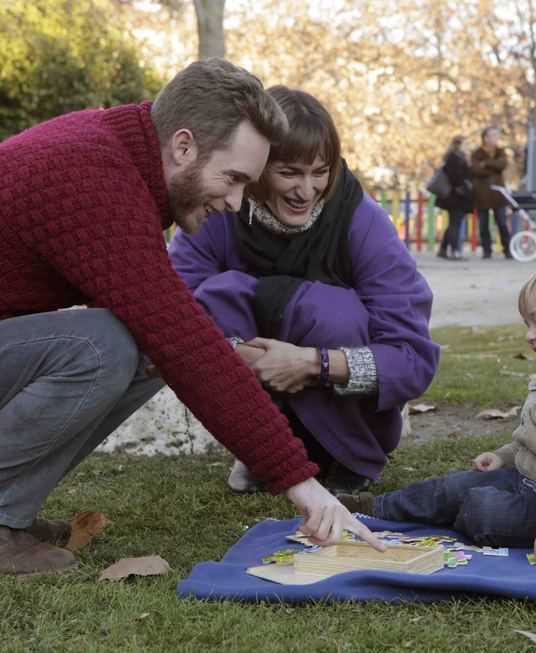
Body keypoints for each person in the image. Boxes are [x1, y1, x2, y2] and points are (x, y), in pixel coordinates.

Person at [0, 59, 383, 576]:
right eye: (234, 178)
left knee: (143, 347)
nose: (238, 203)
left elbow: (174, 332)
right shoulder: (95, 178)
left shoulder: (118, 157)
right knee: (107, 344)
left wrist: (233, 358)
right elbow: (179, 337)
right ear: (184, 146)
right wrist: (302, 485)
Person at [168, 87, 440, 497]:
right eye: (289, 172)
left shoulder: (364, 222)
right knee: (221, 294)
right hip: (254, 394)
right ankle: (261, 447)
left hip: (347, 409)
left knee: (333, 312)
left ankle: (348, 454)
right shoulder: (219, 207)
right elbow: (172, 310)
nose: (307, 190)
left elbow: (413, 358)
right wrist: (244, 357)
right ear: (259, 165)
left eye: (320, 171)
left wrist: (313, 363)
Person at [338, 255, 536, 567]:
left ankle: (462, 515)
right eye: (527, 325)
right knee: (452, 488)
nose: (529, 336)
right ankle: (369, 509)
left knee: (481, 509)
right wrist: (505, 458)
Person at [471, 127, 512, 259]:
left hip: (498, 194)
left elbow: (503, 164)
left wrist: (486, 163)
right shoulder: (477, 153)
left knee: (501, 223)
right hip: (482, 194)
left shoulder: (500, 151)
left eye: (497, 135)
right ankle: (486, 250)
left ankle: (507, 249)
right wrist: (494, 167)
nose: (496, 137)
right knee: (483, 225)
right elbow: (476, 170)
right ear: (486, 138)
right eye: (493, 135)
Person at [435, 135, 472, 260]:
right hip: (455, 197)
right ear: (458, 145)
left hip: (455, 197)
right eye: (464, 144)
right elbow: (455, 176)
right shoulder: (454, 158)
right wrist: (463, 188)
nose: (466, 147)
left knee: (453, 223)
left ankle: (443, 249)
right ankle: (454, 250)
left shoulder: (457, 157)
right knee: (455, 224)